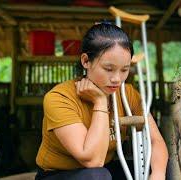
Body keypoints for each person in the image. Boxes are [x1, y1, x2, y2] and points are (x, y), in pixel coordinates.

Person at [35, 23, 168, 180]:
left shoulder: (128, 93)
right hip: (60, 174)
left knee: (166, 167)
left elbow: (156, 140)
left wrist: (158, 174)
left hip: (104, 169)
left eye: (124, 70)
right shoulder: (59, 98)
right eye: (108, 69)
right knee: (97, 175)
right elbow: (92, 160)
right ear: (86, 61)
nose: (117, 79)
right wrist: (100, 101)